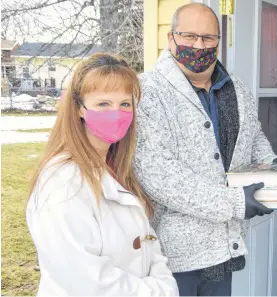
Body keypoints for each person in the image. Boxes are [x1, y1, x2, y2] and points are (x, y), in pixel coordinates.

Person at [134, 3, 277, 296]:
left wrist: (275, 166)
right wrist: (237, 203)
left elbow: (253, 138)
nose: (198, 45)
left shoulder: (236, 88)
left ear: (218, 40)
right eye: (188, 36)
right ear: (171, 38)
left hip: (224, 246)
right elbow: (159, 178)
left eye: (208, 38)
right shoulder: (147, 91)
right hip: (174, 256)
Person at [26, 53, 179, 296]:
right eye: (103, 104)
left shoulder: (116, 169)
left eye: (125, 104)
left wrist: (164, 283)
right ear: (79, 109)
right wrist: (158, 292)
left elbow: (148, 245)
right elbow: (86, 281)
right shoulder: (64, 185)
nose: (116, 113)